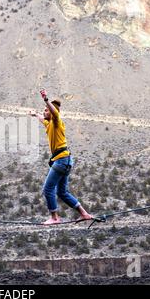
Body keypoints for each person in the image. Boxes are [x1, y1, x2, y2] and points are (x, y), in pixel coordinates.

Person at [29, 89, 93, 225]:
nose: (44, 112)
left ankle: (55, 217)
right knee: (62, 192)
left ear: (52, 113)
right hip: (66, 160)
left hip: (61, 161)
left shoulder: (57, 122)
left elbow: (54, 113)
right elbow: (43, 119)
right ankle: (84, 214)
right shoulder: (49, 124)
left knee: (47, 189)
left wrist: (46, 100)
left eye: (46, 111)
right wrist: (36, 115)